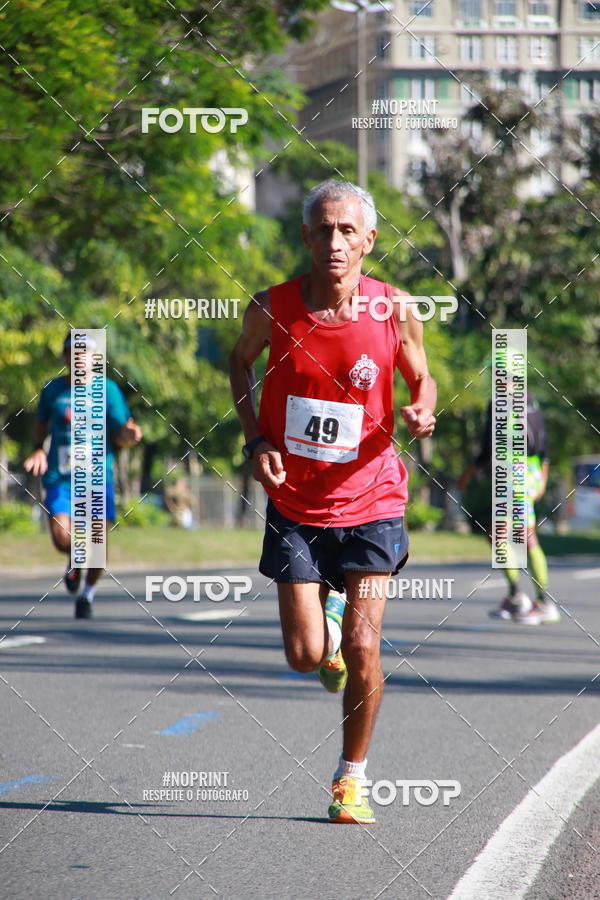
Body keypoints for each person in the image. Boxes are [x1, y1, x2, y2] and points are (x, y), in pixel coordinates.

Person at [229, 179, 436, 824]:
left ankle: (351, 778)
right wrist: (256, 437)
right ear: (305, 237)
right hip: (294, 501)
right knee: (303, 655)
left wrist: (423, 405)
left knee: (364, 646)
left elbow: (421, 374)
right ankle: (330, 614)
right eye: (323, 229)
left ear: (369, 240)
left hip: (372, 496)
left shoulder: (395, 309)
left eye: (348, 231)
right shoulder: (271, 308)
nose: (335, 242)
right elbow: (240, 366)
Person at [23, 332, 142, 619]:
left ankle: (87, 594)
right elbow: (41, 423)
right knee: (61, 537)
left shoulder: (108, 390)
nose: (77, 358)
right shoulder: (52, 390)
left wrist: (129, 435)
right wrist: (38, 449)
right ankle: (75, 559)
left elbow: (123, 431)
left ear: (95, 358)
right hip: (62, 479)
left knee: (98, 546)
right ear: (65, 357)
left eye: (84, 353)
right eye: (71, 353)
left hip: (98, 480)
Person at [458, 388, 559, 624]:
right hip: (530, 474)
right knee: (505, 534)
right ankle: (520, 597)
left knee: (511, 535)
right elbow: (544, 447)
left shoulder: (499, 403)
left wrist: (467, 475)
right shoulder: (533, 400)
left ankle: (538, 602)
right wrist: (542, 477)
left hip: (514, 474)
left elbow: (488, 449)